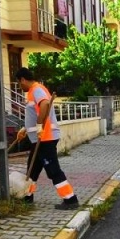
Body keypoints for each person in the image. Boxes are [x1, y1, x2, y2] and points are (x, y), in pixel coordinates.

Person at [14, 67, 79, 210]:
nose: (20, 86)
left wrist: (38, 126)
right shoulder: (33, 92)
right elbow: (36, 112)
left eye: (19, 83)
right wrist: (25, 129)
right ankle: (27, 197)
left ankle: (70, 199)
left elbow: (45, 104)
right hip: (38, 138)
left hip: (45, 138)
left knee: (53, 170)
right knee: (32, 170)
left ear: (23, 79)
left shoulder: (36, 89)